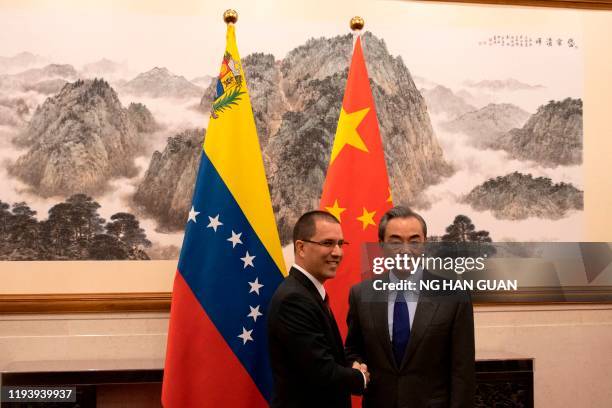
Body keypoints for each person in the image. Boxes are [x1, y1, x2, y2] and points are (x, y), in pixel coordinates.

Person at [345, 206, 475, 408]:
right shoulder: (361, 294)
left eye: (414, 241)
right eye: (395, 242)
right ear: (381, 245)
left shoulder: (455, 296)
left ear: (425, 244)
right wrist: (355, 364)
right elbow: (353, 350)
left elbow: (462, 372)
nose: (405, 250)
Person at [267, 210, 368, 407]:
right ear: (301, 248)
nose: (338, 252)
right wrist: (360, 377)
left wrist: (350, 365)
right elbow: (322, 371)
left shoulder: (308, 292)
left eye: (341, 244)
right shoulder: (294, 299)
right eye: (328, 243)